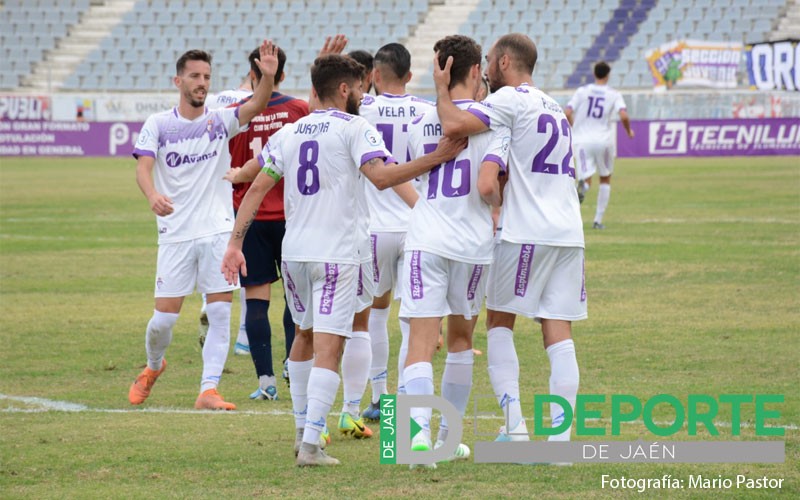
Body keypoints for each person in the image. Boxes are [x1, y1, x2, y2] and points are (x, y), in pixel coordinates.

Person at [220, 53, 465, 466]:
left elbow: (258, 188)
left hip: (295, 253)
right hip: (337, 256)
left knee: (303, 336)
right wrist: (436, 157)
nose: (364, 94)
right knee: (330, 347)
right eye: (360, 87)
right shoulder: (356, 127)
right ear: (346, 89)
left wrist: (233, 243)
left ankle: (302, 432)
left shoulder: (291, 131)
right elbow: (383, 178)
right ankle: (312, 446)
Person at [433, 33, 586, 445]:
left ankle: (515, 427)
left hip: (525, 231)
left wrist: (441, 85)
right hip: (569, 233)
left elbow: (452, 125)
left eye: (489, 63)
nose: (484, 71)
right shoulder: (555, 106)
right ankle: (560, 438)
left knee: (500, 322)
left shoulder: (509, 100)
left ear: (503, 63)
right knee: (558, 330)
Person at [128, 41, 279, 411]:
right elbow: (143, 167)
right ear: (177, 80)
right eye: (194, 76)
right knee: (162, 321)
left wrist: (269, 76)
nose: (202, 82)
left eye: (207, 77)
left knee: (219, 311)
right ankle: (153, 366)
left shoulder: (219, 120)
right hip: (176, 234)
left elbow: (257, 105)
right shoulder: (159, 124)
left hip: (217, 231)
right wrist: (151, 196)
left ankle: (208, 390)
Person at [402, 34, 508, 465]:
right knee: (462, 341)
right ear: (474, 71)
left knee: (421, 343)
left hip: (427, 239)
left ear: (441, 70)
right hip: (472, 245)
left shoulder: (418, 122)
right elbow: (491, 184)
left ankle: (416, 441)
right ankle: (447, 438)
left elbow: (422, 177)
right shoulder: (495, 120)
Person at [357, 43, 436, 422]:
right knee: (412, 319)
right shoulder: (427, 111)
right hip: (416, 224)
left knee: (375, 313)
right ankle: (406, 401)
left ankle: (379, 397)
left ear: (373, 75)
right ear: (409, 75)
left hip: (375, 227)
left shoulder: (362, 109)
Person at [226, 46, 309, 400]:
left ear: (251, 76)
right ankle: (294, 363)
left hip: (252, 216)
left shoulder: (236, 114)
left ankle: (266, 382)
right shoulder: (299, 110)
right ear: (283, 75)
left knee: (257, 301)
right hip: (293, 216)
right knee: (296, 300)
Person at [199, 73, 254, 356]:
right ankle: (244, 337)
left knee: (218, 253)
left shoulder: (213, 100)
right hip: (247, 184)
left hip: (216, 184)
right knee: (246, 263)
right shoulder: (255, 102)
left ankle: (206, 305)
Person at [565, 61, 634, 229]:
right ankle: (597, 221)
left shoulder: (582, 91)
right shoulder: (613, 94)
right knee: (605, 178)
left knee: (585, 178)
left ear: (594, 74)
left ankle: (583, 188)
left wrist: (575, 128)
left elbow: (567, 112)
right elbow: (623, 116)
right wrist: (629, 131)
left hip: (582, 141)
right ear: (608, 75)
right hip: (603, 141)